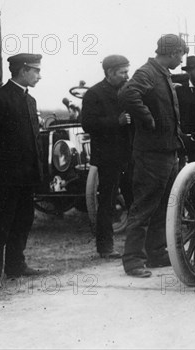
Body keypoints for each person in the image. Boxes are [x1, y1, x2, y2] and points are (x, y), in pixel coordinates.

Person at [118, 34, 189, 278]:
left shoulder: (162, 74)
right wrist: (146, 118)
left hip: (167, 152)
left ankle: (157, 253)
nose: (181, 60)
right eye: (180, 55)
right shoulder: (147, 72)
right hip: (151, 155)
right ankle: (133, 261)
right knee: (144, 206)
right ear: (171, 53)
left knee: (162, 206)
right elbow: (128, 94)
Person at [0, 53, 45, 290]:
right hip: (5, 178)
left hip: (26, 177)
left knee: (23, 221)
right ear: (23, 70)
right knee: (0, 223)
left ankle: (16, 265)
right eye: (36, 70)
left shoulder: (30, 101)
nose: (39, 75)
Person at [81, 55, 132, 259]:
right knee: (107, 202)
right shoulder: (94, 93)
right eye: (123, 72)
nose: (127, 76)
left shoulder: (127, 91)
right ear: (110, 72)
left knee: (134, 199)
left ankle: (138, 244)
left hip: (128, 156)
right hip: (108, 157)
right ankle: (105, 247)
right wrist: (116, 121)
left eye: (127, 71)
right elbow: (88, 124)